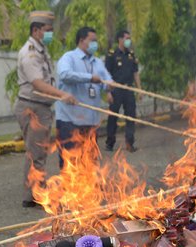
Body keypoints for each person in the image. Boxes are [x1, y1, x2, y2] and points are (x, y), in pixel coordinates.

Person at [14, 11, 76, 208]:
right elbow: (38, 84)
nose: (50, 34)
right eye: (48, 30)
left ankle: (35, 192)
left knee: (38, 151)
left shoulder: (40, 49)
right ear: (36, 30)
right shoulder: (30, 52)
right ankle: (33, 195)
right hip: (32, 107)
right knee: (36, 152)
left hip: (40, 107)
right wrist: (61, 95)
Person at [55, 26, 112, 168]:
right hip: (70, 122)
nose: (95, 44)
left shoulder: (98, 62)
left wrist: (110, 86)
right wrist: (89, 78)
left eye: (96, 41)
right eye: (92, 41)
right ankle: (69, 190)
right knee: (71, 165)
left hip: (91, 123)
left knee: (90, 163)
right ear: (81, 40)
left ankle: (91, 190)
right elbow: (64, 75)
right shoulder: (69, 58)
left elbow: (106, 80)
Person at [104, 30, 141, 153]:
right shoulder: (112, 55)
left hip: (129, 89)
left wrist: (139, 89)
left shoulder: (131, 55)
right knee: (113, 116)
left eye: (129, 38)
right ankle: (110, 143)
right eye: (126, 38)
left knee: (131, 116)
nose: (128, 41)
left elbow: (135, 73)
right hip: (116, 89)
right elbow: (106, 74)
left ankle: (130, 143)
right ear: (120, 39)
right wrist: (108, 92)